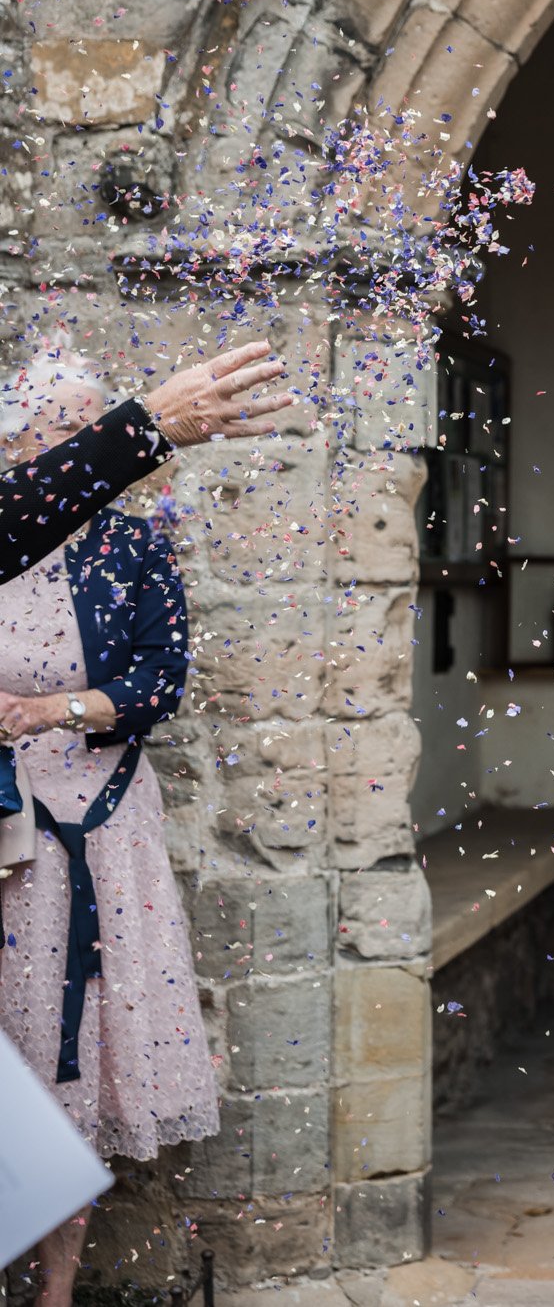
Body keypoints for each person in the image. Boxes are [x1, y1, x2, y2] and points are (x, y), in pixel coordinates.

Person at [0, 357, 215, 1307]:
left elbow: (159, 682)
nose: (79, 443)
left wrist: (51, 709)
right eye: (59, 427)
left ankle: (55, 1290)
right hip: (4, 828)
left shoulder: (133, 550)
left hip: (97, 824)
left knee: (70, 1050)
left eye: (96, 425)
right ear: (17, 446)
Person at [0, 339, 291, 583]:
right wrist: (148, 424)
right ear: (10, 443)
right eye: (65, 428)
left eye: (93, 431)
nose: (80, 445)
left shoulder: (140, 549)